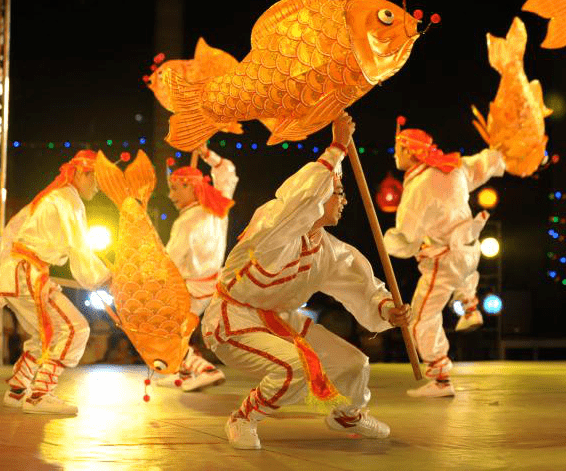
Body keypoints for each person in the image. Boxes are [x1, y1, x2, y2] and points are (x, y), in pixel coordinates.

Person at [203, 114, 412, 450]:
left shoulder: (330, 250)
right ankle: (244, 417)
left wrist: (388, 310)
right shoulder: (271, 228)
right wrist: (336, 149)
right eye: (337, 193)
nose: (343, 200)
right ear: (317, 195)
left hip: (280, 321)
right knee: (293, 367)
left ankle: (346, 414)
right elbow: (296, 202)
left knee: (354, 363)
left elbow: (363, 286)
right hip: (233, 319)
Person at [383, 123, 505, 397]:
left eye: (398, 150)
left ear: (410, 152)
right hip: (470, 249)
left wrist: (389, 241)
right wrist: (502, 150)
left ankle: (440, 377)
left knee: (420, 317)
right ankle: (470, 306)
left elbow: (408, 236)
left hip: (446, 257)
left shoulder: (419, 186)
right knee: (462, 272)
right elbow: (484, 164)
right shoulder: (453, 167)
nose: (395, 156)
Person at [0, 150, 111, 415]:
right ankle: (40, 395)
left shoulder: (49, 197)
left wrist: (3, 267)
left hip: (19, 272)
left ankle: (18, 389)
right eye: (97, 180)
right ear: (81, 172)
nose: (99, 188)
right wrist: (104, 279)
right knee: (75, 328)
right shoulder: (68, 199)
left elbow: (12, 228)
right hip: (28, 274)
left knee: (43, 334)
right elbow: (79, 248)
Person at [157, 144, 237, 391]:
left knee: (164, 332)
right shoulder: (217, 207)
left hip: (192, 287)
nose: (171, 196)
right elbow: (228, 170)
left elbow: (170, 263)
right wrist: (206, 153)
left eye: (175, 189)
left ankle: (205, 369)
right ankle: (182, 372)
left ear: (190, 186)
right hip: (213, 283)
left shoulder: (187, 221)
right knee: (178, 332)